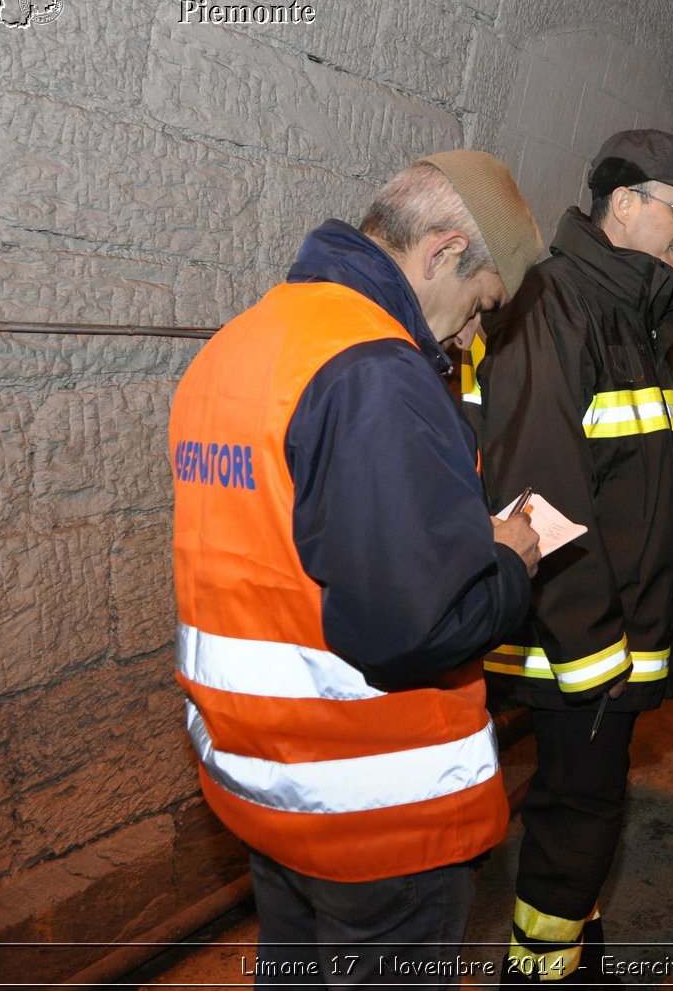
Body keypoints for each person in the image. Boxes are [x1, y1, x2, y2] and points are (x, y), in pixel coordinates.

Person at [169, 150, 544, 985]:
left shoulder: (240, 343)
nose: (474, 334)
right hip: (376, 812)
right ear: (444, 252)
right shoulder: (378, 367)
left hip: (267, 784)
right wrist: (507, 565)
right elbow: (413, 628)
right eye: (482, 305)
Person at [474, 129, 673, 984]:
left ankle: (572, 951)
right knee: (574, 811)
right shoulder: (557, 305)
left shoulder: (629, 312)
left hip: (611, 626)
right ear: (623, 204)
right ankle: (540, 971)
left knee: (591, 808)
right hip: (576, 638)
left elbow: (616, 471)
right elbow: (539, 494)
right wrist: (592, 654)